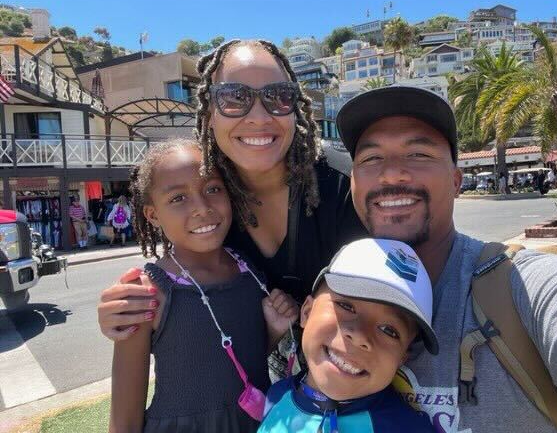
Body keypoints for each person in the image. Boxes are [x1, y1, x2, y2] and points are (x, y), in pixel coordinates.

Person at [337, 86, 557, 432]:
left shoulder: (529, 289)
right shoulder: (333, 298)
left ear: (455, 181)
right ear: (353, 184)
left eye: (418, 154)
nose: (391, 174)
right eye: (371, 159)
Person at [98, 39, 365, 342]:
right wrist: (125, 308)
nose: (260, 117)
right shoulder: (208, 196)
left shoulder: (345, 183)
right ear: (210, 113)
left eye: (278, 96)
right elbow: (184, 280)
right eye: (234, 98)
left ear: (295, 107)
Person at [110, 138, 298, 433]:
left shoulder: (249, 271)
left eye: (212, 189)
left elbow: (236, 360)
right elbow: (124, 419)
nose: (202, 208)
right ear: (153, 214)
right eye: (178, 198)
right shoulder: (147, 292)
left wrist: (273, 330)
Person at [259, 239, 437, 432]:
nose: (359, 335)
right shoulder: (276, 395)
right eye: (346, 306)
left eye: (389, 330)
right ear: (307, 312)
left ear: (402, 358)